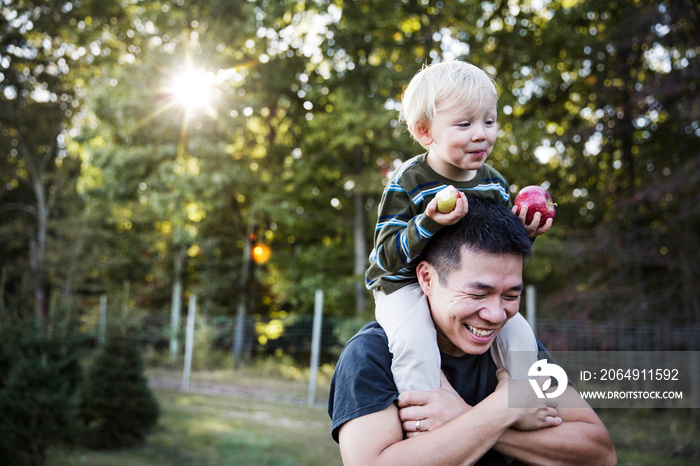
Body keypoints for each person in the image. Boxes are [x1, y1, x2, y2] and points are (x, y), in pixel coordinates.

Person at [330, 196, 616, 465]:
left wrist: (467, 417)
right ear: (427, 279)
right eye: (478, 294)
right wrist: (506, 405)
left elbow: (600, 453)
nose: (495, 315)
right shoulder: (371, 355)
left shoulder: (513, 348)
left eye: (510, 296)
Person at [365, 60, 552, 393]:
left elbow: (494, 256)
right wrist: (427, 223)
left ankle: (527, 408)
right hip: (404, 284)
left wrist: (524, 234)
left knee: (523, 338)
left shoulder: (494, 184)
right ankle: (426, 419)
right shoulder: (410, 181)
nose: (481, 134)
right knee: (415, 342)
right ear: (425, 132)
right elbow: (384, 258)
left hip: (468, 292)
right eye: (465, 124)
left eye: (489, 121)